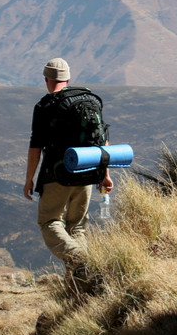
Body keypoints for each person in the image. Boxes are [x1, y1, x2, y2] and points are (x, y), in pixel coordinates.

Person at [23, 57, 113, 262]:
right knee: (77, 227)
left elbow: (35, 147)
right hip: (88, 171)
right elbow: (102, 139)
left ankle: (82, 260)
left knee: (50, 222)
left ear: (46, 79)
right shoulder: (89, 100)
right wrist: (104, 175)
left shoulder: (45, 106)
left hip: (58, 176)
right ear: (68, 78)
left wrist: (29, 179)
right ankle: (84, 277)